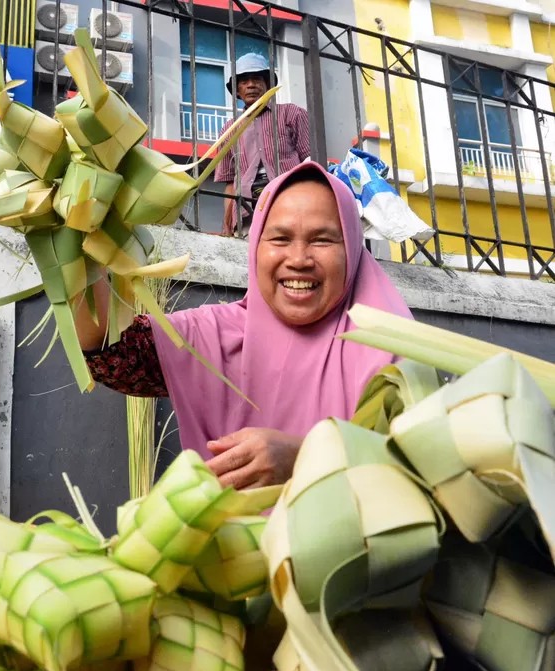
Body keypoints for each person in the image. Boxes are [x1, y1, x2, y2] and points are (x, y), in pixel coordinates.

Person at [80, 161, 412, 490]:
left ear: (352, 250)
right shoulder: (218, 337)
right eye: (280, 238)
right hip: (233, 543)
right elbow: (112, 353)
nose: (298, 259)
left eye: (322, 240)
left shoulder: (391, 351)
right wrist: (73, 232)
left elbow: (428, 475)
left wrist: (304, 458)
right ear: (255, 248)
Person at [215, 53, 311, 238]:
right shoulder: (229, 130)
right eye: (244, 81)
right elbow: (229, 183)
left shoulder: (292, 114)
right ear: (237, 90)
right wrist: (227, 226)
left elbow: (311, 162)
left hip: (289, 201)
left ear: (268, 84)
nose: (251, 85)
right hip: (246, 209)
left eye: (257, 79)